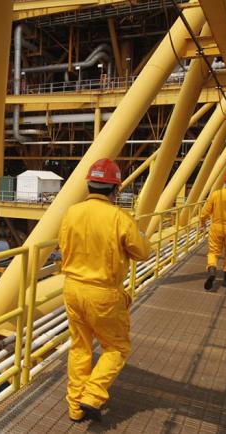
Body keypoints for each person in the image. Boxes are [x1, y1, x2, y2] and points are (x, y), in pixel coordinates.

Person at [58, 158, 151, 422]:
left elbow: (63, 247)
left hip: (73, 289)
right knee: (117, 347)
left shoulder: (71, 213)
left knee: (80, 347)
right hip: (103, 294)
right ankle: (93, 394)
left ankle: (75, 408)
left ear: (89, 185)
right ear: (114, 189)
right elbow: (142, 252)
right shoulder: (119, 218)